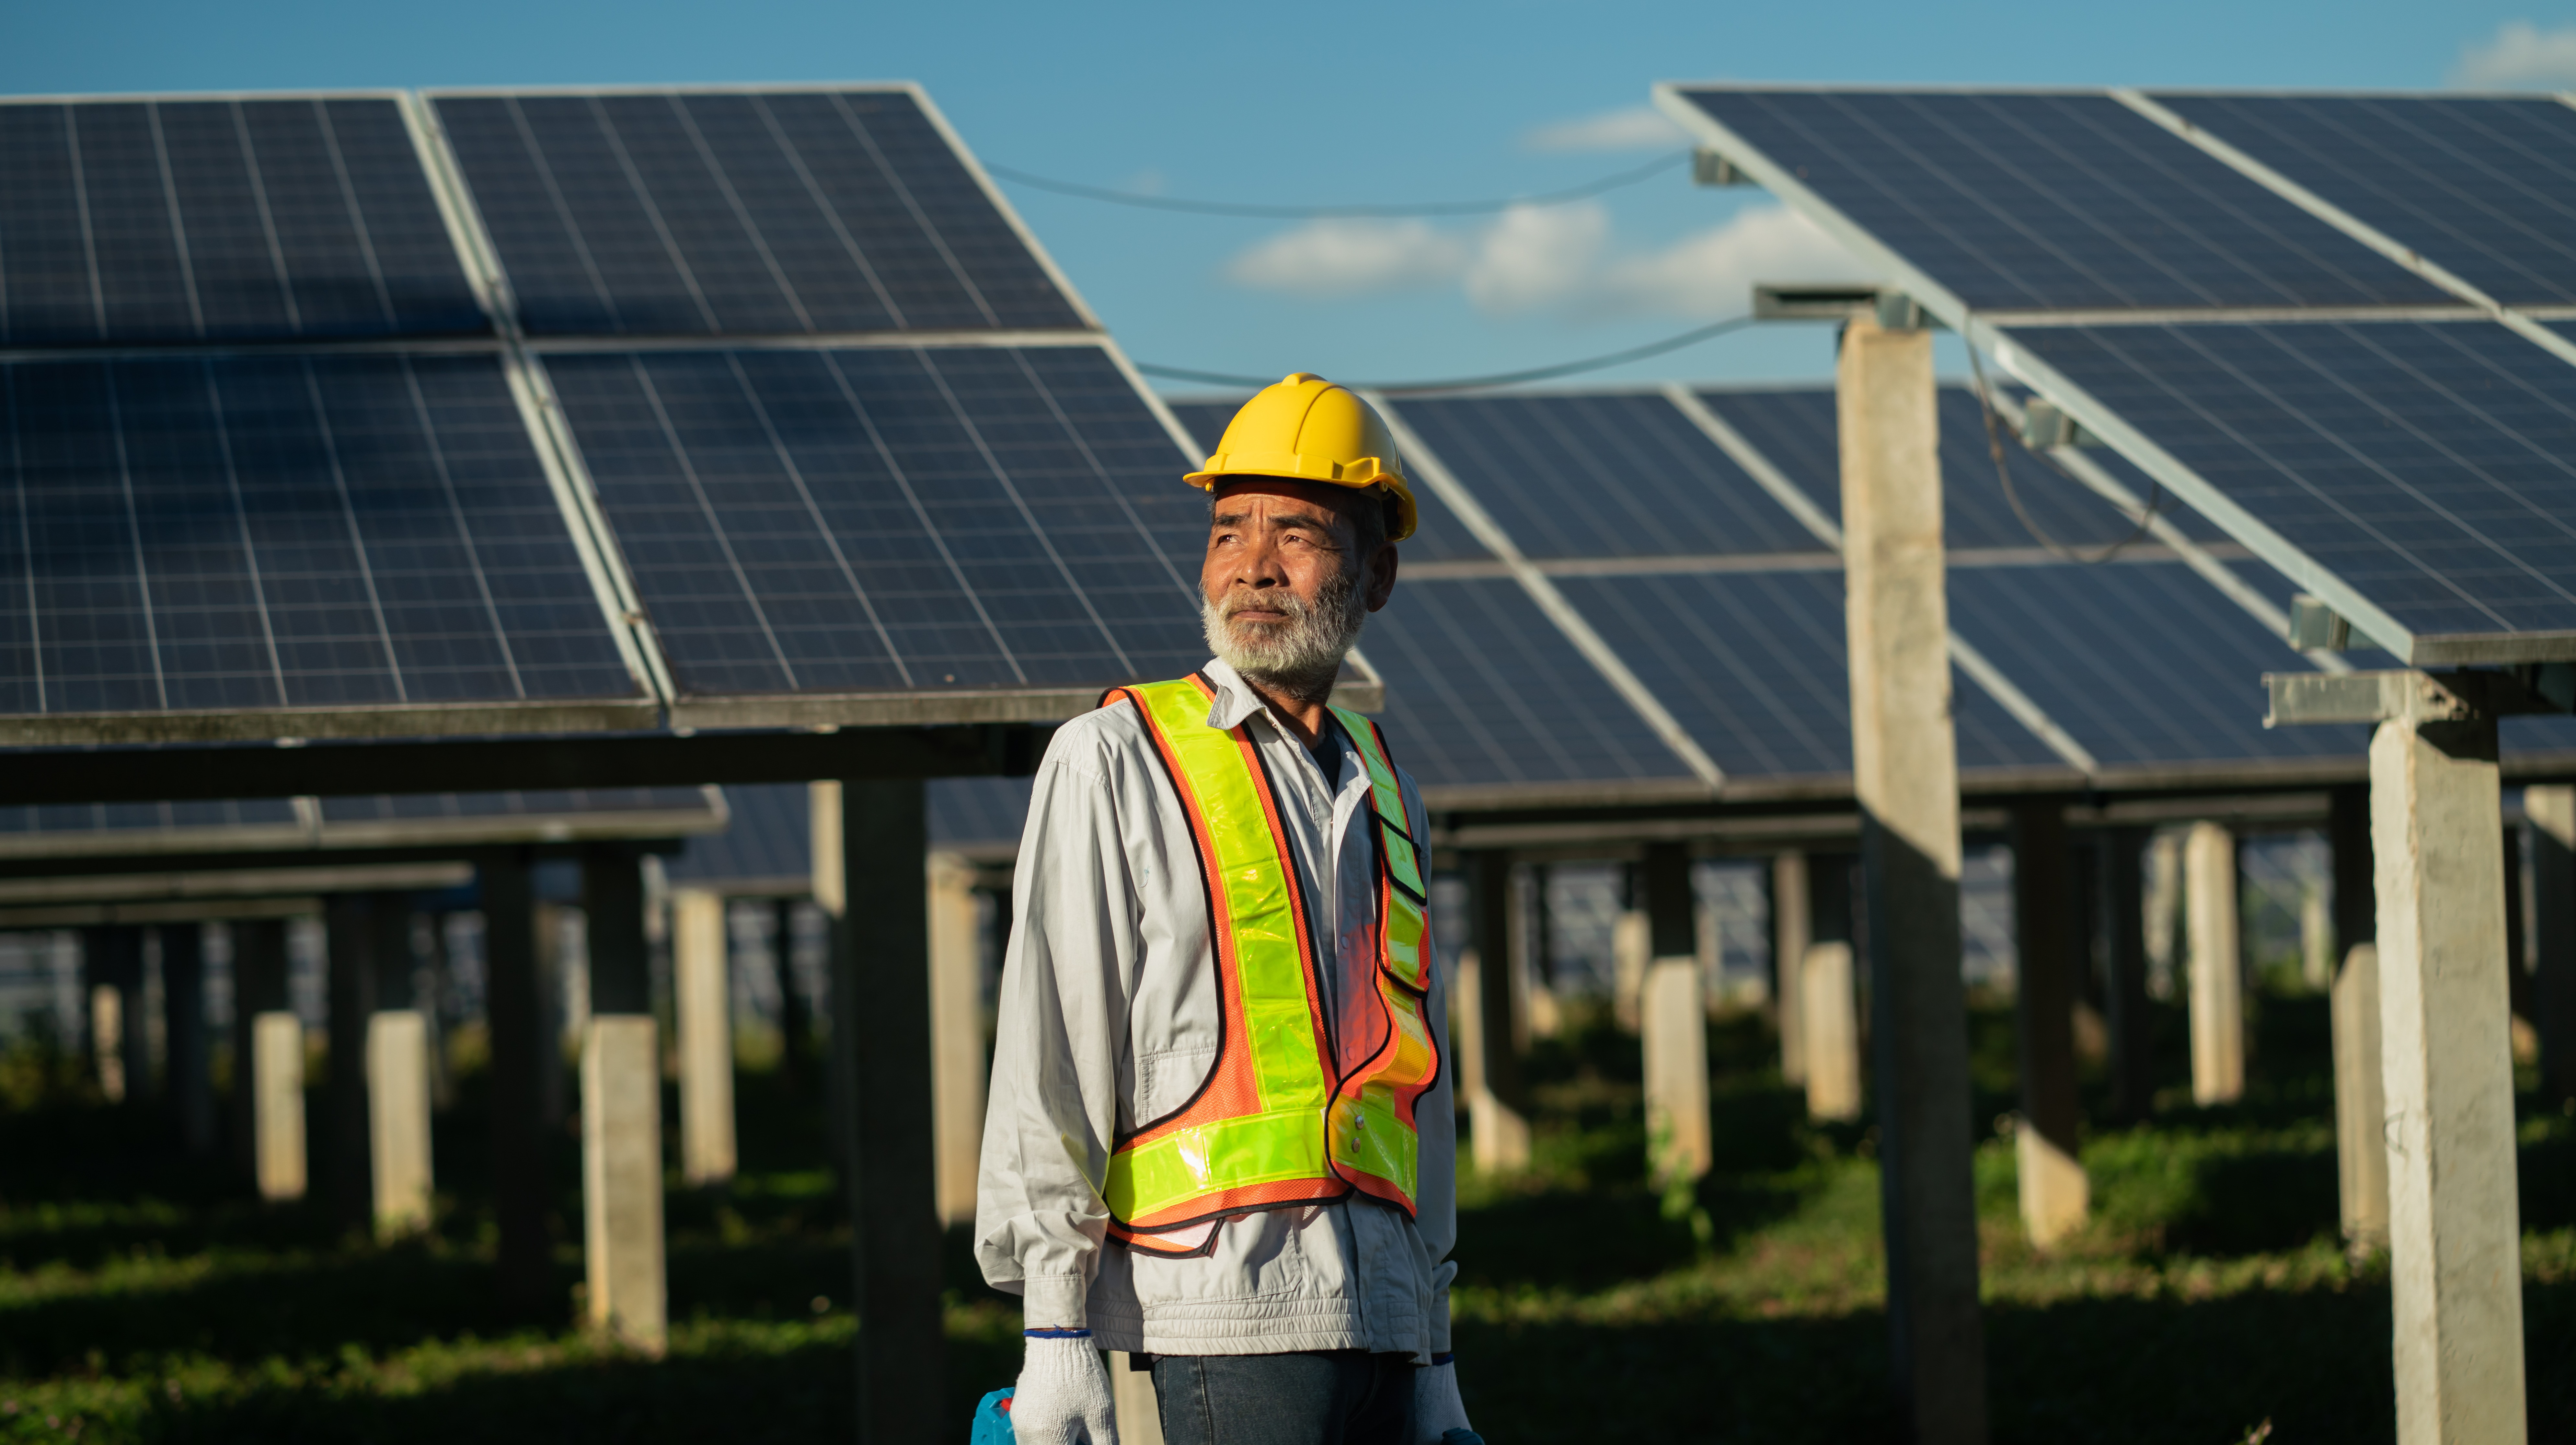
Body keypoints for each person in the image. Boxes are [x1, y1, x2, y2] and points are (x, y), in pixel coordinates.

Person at [977, 374, 1475, 1445]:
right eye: (1228, 531)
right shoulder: (1114, 759)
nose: (1252, 565)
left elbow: (1416, 1094)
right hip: (1223, 1310)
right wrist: (1055, 1332)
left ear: (1376, 572)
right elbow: (1048, 1051)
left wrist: (1435, 1348)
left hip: (1385, 1315)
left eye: (1297, 533)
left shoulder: (1390, 795)